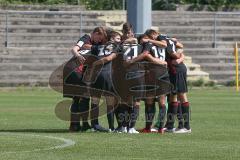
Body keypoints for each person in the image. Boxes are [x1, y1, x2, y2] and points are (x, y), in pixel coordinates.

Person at [67, 27, 108, 132]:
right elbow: (74, 49)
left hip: (72, 70)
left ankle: (74, 125)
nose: (99, 40)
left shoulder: (92, 44)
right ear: (95, 33)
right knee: (84, 98)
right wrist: (78, 55)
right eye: (99, 38)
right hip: (77, 71)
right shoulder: (86, 37)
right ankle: (84, 125)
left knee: (76, 98)